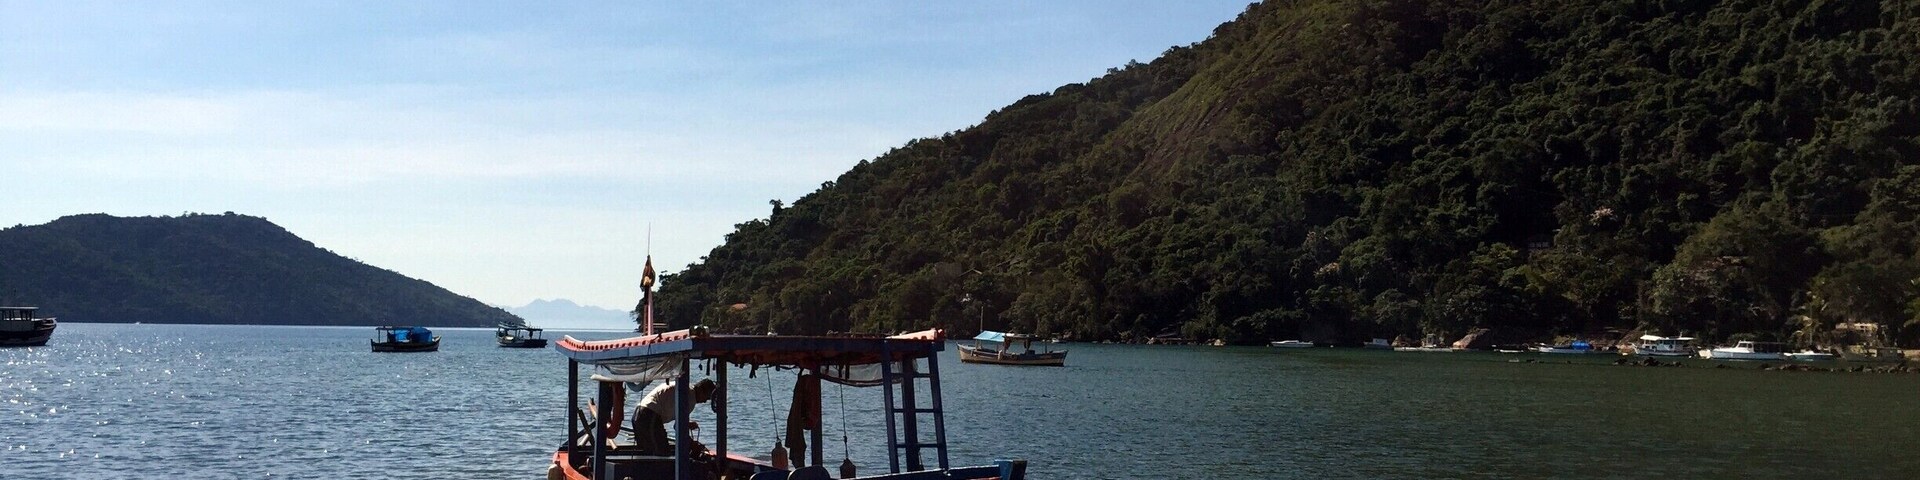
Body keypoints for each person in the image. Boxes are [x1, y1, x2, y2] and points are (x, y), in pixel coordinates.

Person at [631, 378, 717, 455]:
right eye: (707, 397)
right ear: (702, 391)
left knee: (646, 451)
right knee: (662, 452)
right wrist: (691, 443)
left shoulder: (685, 388)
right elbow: (678, 427)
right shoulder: (690, 398)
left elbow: (679, 422)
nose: (705, 401)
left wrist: (686, 424)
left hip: (638, 413)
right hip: (650, 415)